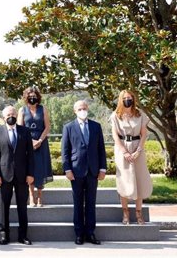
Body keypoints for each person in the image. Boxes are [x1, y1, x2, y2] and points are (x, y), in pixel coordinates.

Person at [61, 100, 107, 245]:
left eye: (85, 108)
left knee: (91, 203)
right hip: (76, 171)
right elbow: (65, 151)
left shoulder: (96, 126)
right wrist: (67, 169)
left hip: (93, 171)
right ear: (75, 111)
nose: (83, 110)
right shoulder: (68, 127)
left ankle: (90, 233)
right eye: (80, 109)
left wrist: (102, 169)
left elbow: (101, 149)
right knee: (78, 203)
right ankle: (79, 233)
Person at [0, 106, 34, 246]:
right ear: (4, 117)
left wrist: (30, 174)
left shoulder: (25, 131)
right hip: (4, 176)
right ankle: (4, 235)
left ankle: (23, 236)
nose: (11, 116)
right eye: (9, 114)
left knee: (22, 206)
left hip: (22, 176)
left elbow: (30, 155)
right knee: (4, 206)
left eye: (13, 114)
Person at [109, 90, 153, 225]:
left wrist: (138, 150)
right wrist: (124, 152)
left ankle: (139, 213)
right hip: (122, 148)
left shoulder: (140, 114)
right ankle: (126, 213)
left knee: (139, 179)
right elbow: (115, 135)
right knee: (125, 180)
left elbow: (144, 134)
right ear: (121, 100)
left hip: (137, 147)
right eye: (125, 98)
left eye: (130, 98)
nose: (128, 100)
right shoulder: (116, 116)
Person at [17, 86, 53, 207]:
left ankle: (40, 196)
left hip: (41, 143)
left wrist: (40, 140)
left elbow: (47, 127)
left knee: (40, 168)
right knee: (29, 169)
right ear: (26, 97)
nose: (32, 98)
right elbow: (19, 128)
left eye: (34, 96)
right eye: (30, 96)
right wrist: (30, 141)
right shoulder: (22, 110)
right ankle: (31, 196)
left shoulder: (43, 109)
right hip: (27, 144)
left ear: (38, 97)